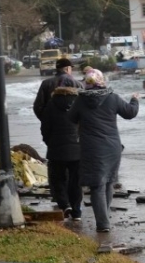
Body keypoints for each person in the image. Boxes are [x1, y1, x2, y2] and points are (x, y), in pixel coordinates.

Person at [68, 69, 139, 232]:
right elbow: (130, 113)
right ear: (102, 81)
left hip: (91, 148)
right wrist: (135, 100)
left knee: (97, 185)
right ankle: (104, 219)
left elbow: (71, 118)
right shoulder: (112, 97)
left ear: (86, 82)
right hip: (112, 147)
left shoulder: (80, 100)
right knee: (108, 182)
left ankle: (103, 223)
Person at [40, 74, 83, 220]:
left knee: (58, 179)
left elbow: (45, 127)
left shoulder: (51, 104)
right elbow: (84, 125)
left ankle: (65, 205)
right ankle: (76, 212)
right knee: (76, 181)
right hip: (77, 149)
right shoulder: (79, 102)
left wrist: (49, 142)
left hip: (56, 149)